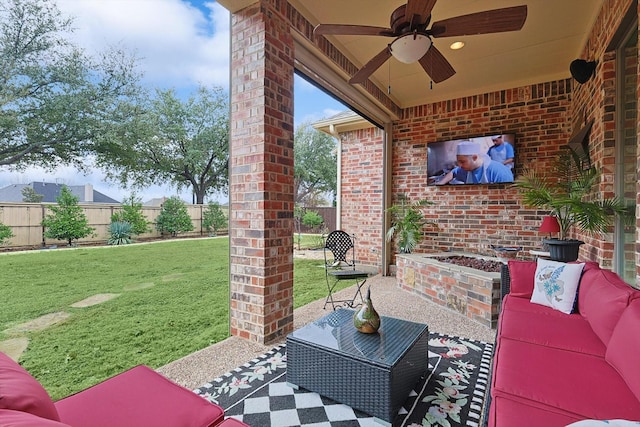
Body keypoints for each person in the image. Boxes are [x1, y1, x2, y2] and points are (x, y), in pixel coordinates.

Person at [435, 141, 514, 185]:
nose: (459, 165)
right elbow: (453, 172)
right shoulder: (464, 169)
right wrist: (441, 182)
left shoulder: (499, 172)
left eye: (462, 162)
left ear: (475, 158)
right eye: (458, 162)